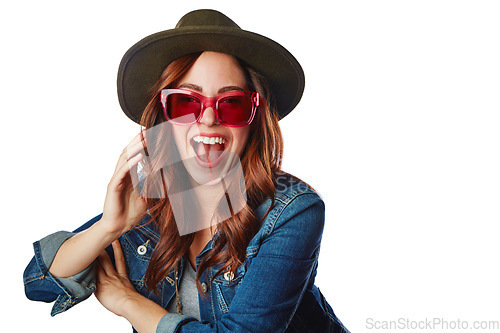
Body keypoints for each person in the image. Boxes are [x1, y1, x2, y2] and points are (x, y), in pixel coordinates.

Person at [23, 9, 350, 333]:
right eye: (185, 103)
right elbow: (39, 283)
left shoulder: (293, 210)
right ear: (164, 119)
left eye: (232, 103)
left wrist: (129, 303)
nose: (208, 119)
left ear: (255, 119)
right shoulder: (149, 199)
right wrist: (110, 227)